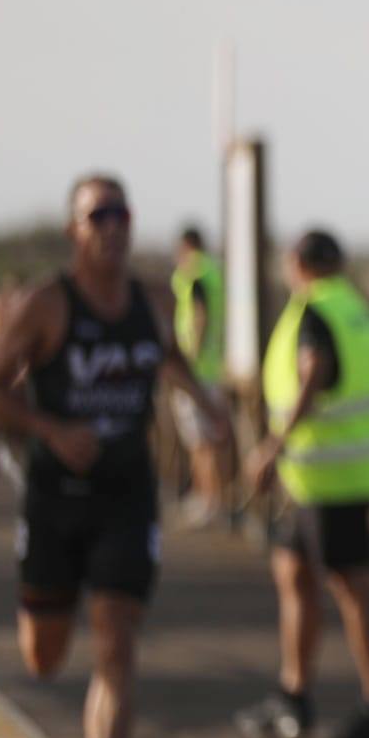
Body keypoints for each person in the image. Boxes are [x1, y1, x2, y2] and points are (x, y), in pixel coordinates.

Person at [0, 174, 233, 738]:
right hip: (54, 497)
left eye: (122, 212)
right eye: (99, 215)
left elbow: (173, 357)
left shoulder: (152, 298)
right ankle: (46, 620)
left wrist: (210, 407)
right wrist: (50, 431)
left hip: (125, 494)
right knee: (43, 655)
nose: (114, 226)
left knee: (117, 643)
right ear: (75, 230)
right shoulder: (45, 304)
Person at [235, 229, 369, 738]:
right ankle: (294, 695)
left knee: (354, 588)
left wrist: (273, 444)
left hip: (329, 475)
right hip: (336, 474)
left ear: (296, 263)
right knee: (293, 570)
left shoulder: (314, 311)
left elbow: (314, 370)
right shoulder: (355, 308)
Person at [169, 226, 229, 527]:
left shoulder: (194, 275)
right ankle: (207, 496)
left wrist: (188, 359)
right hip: (211, 368)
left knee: (201, 441)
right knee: (206, 439)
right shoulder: (213, 272)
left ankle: (210, 500)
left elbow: (198, 316)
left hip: (196, 371)